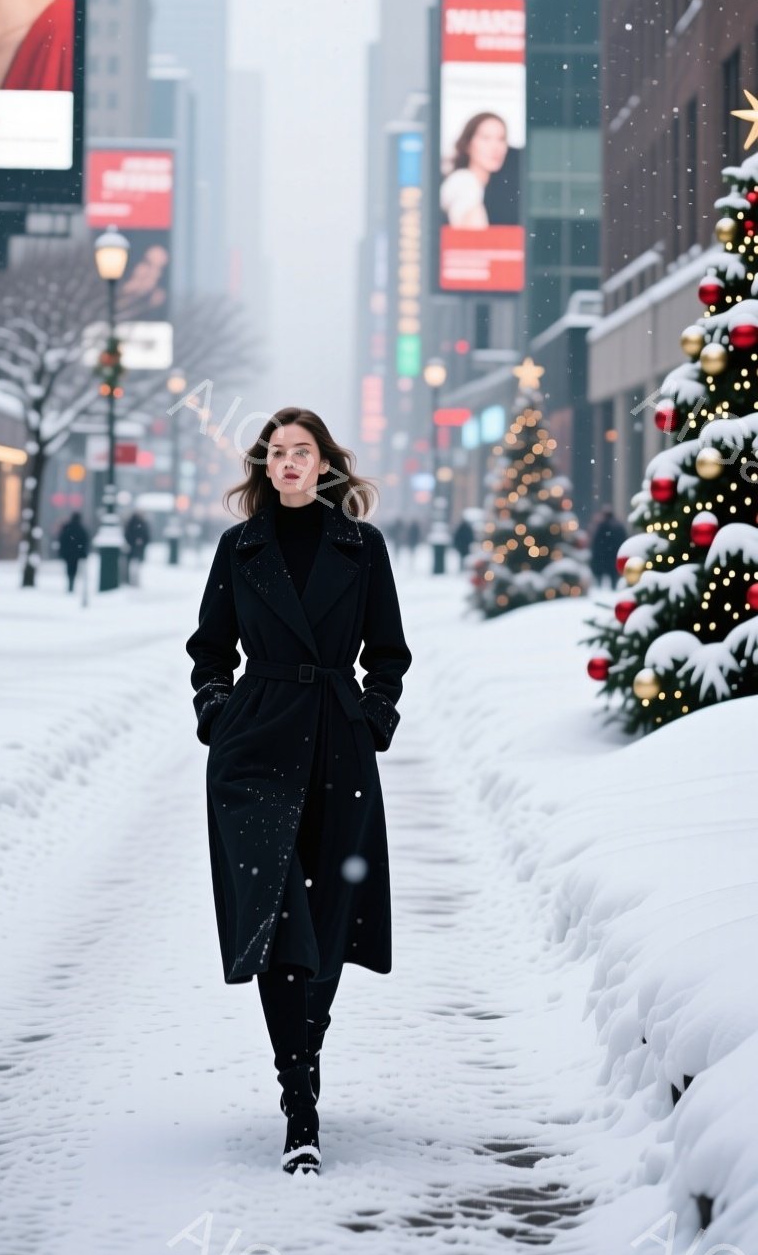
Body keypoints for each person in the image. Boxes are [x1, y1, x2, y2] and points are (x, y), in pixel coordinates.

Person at [186, 407, 411, 1176]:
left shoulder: (361, 546)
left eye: (302, 451)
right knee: (276, 917)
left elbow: (389, 650)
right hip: (255, 745)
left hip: (340, 745)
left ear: (324, 464)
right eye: (277, 452)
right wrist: (216, 712)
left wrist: (375, 717)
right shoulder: (240, 546)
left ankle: (304, 1053)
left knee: (327, 921)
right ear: (264, 464)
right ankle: (300, 1103)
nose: (288, 463)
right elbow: (210, 647)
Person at [440, 111, 510, 229]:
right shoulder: (464, 181)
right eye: (486, 138)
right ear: (468, 144)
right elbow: (473, 233)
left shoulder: (483, 187)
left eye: (501, 139)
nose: (495, 147)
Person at [590, 506, 627, 588]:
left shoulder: (601, 526)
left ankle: (600, 592)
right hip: (614, 557)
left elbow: (596, 544)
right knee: (614, 580)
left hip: (603, 558)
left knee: (599, 582)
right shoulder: (618, 526)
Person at [58, 511, 88, 593]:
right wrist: (83, 553)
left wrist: (62, 551)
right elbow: (84, 542)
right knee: (74, 569)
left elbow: (62, 540)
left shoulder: (67, 528)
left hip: (68, 553)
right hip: (76, 554)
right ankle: (71, 583)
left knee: (69, 569)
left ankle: (70, 583)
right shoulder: (81, 529)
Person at [124, 509, 150, 585]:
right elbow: (128, 534)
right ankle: (133, 581)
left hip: (137, 548)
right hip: (134, 548)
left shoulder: (139, 523)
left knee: (136, 565)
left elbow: (146, 536)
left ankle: (134, 581)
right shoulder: (135, 523)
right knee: (134, 565)